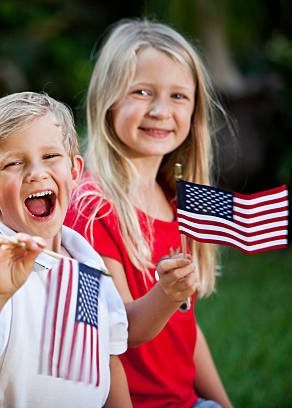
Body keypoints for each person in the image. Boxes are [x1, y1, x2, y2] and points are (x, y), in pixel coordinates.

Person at [64, 19, 233, 408]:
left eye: (178, 96)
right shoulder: (91, 208)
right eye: (142, 92)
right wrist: (168, 293)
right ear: (108, 100)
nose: (160, 110)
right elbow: (116, 330)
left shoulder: (178, 201)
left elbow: (187, 331)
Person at [0, 91, 130, 407]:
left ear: (74, 172)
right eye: (14, 163)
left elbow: (107, 358)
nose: (35, 173)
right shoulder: (0, 267)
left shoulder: (84, 258)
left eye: (50, 157)